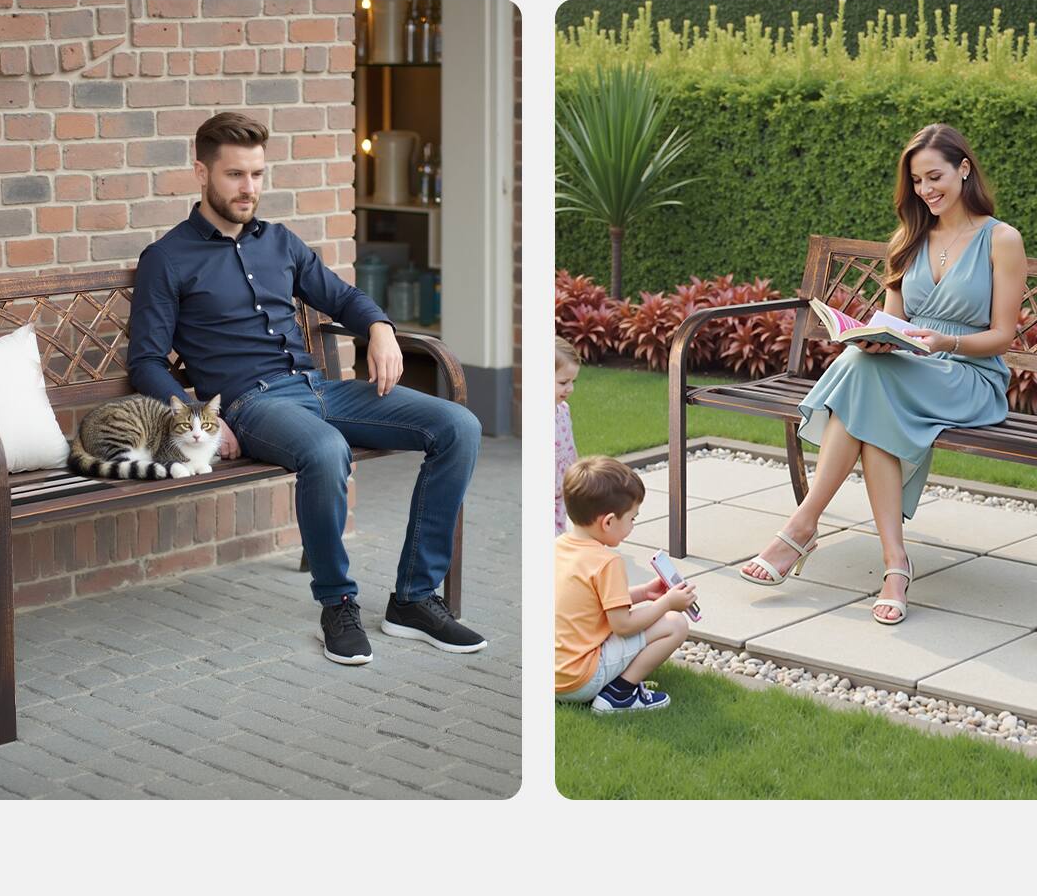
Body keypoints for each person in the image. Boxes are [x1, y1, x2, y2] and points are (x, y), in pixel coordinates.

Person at [126, 110, 486, 669]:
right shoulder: (167, 259)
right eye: (235, 175)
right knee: (325, 450)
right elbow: (145, 361)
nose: (250, 189)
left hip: (322, 390)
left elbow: (344, 298)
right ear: (200, 172)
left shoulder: (281, 243)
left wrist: (381, 329)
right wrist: (202, 415)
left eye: (258, 175)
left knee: (458, 425)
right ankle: (337, 603)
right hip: (252, 406)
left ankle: (413, 599)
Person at [739, 123, 1026, 624]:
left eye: (934, 176)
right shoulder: (908, 239)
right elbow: (892, 322)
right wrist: (873, 336)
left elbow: (1004, 335)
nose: (926, 190)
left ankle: (803, 526)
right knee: (865, 377)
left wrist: (945, 341)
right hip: (910, 370)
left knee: (864, 384)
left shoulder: (1002, 239)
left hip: (970, 375)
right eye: (916, 181)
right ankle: (895, 564)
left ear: (964, 169)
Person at [555, 457, 694, 715]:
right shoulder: (607, 562)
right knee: (675, 623)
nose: (632, 526)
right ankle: (619, 694)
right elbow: (623, 625)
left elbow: (587, 602)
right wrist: (666, 603)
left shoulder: (558, 547)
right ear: (607, 522)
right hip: (579, 681)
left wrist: (643, 593)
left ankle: (610, 687)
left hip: (554, 676)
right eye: (632, 519)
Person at [554, 338, 581, 534]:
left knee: (560, 528)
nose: (570, 388)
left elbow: (570, 445)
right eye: (563, 382)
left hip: (563, 488)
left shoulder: (563, 409)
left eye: (573, 381)